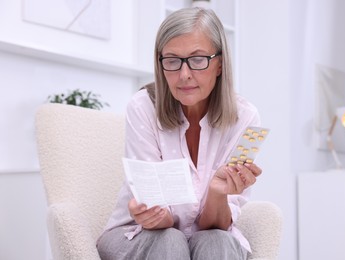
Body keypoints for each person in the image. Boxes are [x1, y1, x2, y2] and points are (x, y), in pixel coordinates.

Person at [97, 7, 263, 260]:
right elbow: (157, 212)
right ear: (160, 63)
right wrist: (155, 215)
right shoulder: (142, 107)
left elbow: (214, 227)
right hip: (139, 235)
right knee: (170, 240)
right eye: (172, 60)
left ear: (219, 64)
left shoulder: (246, 118)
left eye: (198, 60)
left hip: (209, 235)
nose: (184, 75)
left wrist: (218, 192)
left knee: (217, 242)